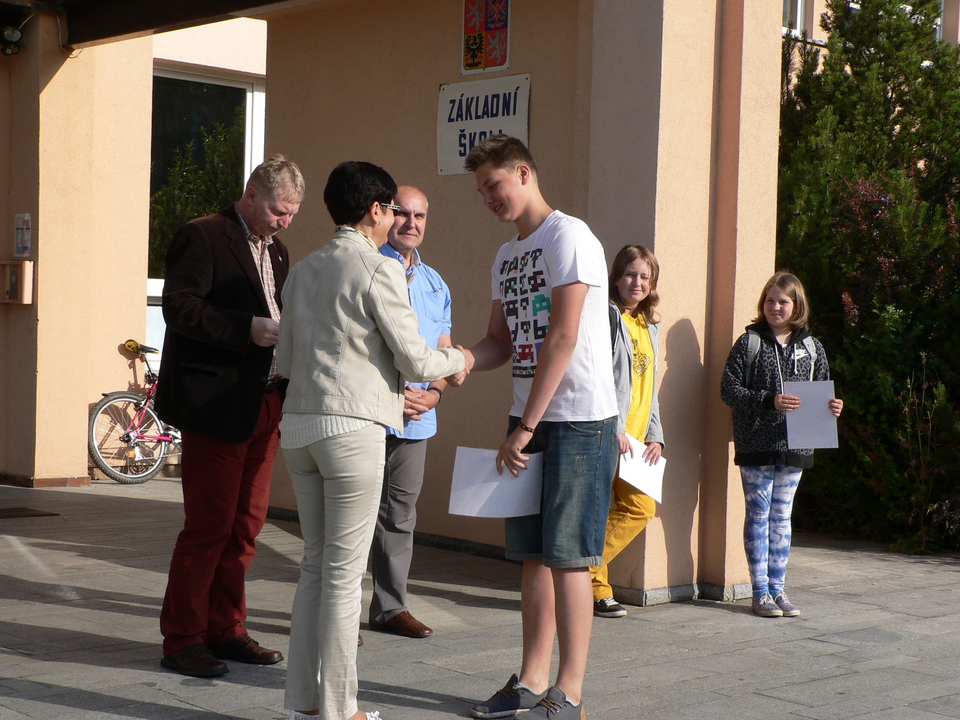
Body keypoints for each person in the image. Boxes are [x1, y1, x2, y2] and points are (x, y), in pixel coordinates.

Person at [278, 161, 471, 720]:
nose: (396, 218)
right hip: (351, 430)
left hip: (299, 428)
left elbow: (284, 360)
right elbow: (416, 359)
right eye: (391, 209)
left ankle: (304, 706)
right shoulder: (378, 268)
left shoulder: (303, 270)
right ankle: (342, 711)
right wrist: (458, 358)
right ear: (376, 210)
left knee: (315, 570)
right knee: (342, 578)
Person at [462, 135, 618, 720]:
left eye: (494, 185)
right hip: (527, 420)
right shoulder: (506, 256)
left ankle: (569, 693)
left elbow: (563, 336)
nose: (488, 199)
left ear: (524, 173)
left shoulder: (568, 237)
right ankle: (530, 681)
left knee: (569, 558)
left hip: (577, 421)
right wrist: (457, 362)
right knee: (532, 556)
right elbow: (499, 342)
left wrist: (525, 427)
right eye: (482, 191)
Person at [155, 154, 304, 678]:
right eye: (280, 210)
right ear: (252, 194)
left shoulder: (278, 249)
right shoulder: (202, 235)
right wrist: (246, 328)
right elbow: (179, 307)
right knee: (209, 527)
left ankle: (226, 628)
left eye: (293, 214)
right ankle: (183, 639)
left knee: (245, 527)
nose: (286, 222)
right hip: (216, 406)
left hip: (265, 402)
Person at [720, 271, 843, 618]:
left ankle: (778, 589)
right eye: (770, 300)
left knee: (782, 517)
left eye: (783, 302)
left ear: (796, 305)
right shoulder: (749, 343)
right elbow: (728, 390)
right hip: (756, 443)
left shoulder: (812, 347)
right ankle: (760, 592)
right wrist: (768, 400)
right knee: (759, 515)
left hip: (798, 445)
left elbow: (822, 391)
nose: (775, 307)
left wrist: (834, 407)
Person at [367, 186, 449, 640]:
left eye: (420, 216)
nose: (411, 223)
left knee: (399, 516)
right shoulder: (366, 267)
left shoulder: (436, 284)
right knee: (352, 514)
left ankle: (389, 608)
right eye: (403, 213)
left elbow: (443, 351)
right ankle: (336, 614)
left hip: (417, 419)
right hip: (369, 412)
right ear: (384, 214)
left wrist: (434, 393)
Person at [589, 245, 665, 619]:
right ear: (617, 277)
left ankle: (583, 570)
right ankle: (596, 589)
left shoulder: (648, 326)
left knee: (641, 508)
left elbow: (650, 386)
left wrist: (656, 434)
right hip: (610, 434)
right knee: (599, 510)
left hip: (637, 442)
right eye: (631, 274)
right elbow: (598, 375)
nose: (637, 282)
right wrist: (614, 427)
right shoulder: (606, 315)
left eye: (645, 277)